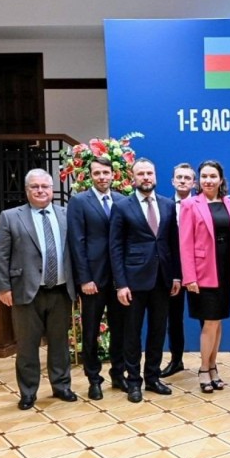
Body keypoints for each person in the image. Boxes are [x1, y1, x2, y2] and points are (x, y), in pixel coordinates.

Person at [0, 169, 77, 410]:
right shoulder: (10, 217)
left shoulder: (65, 215)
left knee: (60, 343)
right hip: (26, 292)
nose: (40, 191)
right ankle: (28, 392)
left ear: (52, 189)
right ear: (27, 190)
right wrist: (3, 287)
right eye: (35, 187)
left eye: (45, 186)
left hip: (60, 291)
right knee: (27, 346)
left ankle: (62, 386)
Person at [109, 158, 181, 403]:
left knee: (158, 331)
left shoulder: (168, 205)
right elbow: (115, 248)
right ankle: (133, 382)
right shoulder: (122, 206)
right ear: (133, 178)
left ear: (156, 176)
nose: (146, 177)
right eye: (141, 174)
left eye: (150, 173)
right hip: (133, 281)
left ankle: (152, 377)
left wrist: (176, 275)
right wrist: (121, 284)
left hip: (162, 280)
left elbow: (173, 243)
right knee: (132, 334)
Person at [66, 156, 126, 400]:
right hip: (92, 280)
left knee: (120, 330)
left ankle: (118, 374)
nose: (102, 177)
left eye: (105, 172)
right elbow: (76, 242)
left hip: (119, 280)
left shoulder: (122, 200)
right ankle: (94, 379)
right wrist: (84, 278)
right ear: (90, 176)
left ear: (113, 175)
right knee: (91, 332)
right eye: (97, 173)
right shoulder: (79, 201)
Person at [180, 160, 230, 394]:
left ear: (220, 180)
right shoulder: (190, 204)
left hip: (224, 270)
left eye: (213, 176)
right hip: (202, 272)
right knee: (210, 321)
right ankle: (204, 369)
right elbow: (185, 243)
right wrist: (189, 277)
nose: (208, 180)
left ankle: (213, 366)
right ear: (199, 180)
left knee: (218, 320)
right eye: (204, 176)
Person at [161, 163, 196, 379]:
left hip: (198, 270)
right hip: (172, 270)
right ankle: (176, 360)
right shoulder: (164, 206)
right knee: (173, 318)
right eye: (179, 177)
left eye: (187, 178)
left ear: (194, 183)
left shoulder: (201, 205)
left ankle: (208, 363)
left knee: (206, 316)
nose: (183, 181)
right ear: (173, 181)